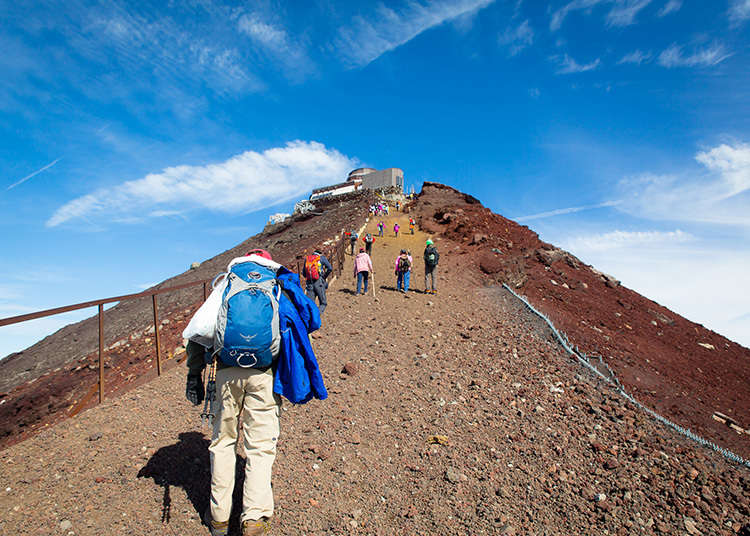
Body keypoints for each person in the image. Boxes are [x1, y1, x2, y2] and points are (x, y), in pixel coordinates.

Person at [183, 249, 326, 536]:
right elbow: (309, 319)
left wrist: (193, 374)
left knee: (223, 442)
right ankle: (253, 518)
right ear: (267, 262)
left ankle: (219, 517)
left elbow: (199, 330)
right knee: (259, 447)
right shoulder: (275, 283)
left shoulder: (227, 283)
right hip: (263, 374)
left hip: (225, 374)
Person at [303, 249, 333, 314]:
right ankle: (317, 316)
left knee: (311, 304)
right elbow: (330, 268)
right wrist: (324, 277)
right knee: (323, 303)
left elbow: (304, 274)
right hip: (319, 282)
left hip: (309, 283)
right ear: (320, 253)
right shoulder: (321, 258)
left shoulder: (307, 259)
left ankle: (311, 320)